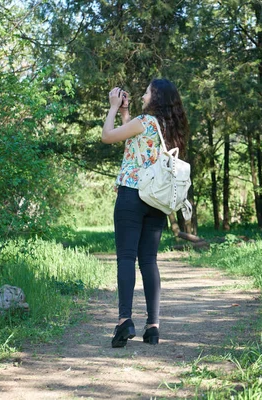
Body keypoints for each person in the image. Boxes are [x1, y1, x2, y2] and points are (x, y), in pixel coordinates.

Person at [101, 79, 190, 347]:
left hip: (132, 192)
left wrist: (113, 107)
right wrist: (127, 114)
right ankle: (153, 325)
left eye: (147, 92)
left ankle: (124, 320)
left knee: (126, 258)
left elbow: (107, 136)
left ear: (156, 98)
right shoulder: (170, 127)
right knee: (149, 260)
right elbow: (137, 147)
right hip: (156, 198)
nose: (142, 95)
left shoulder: (146, 121)